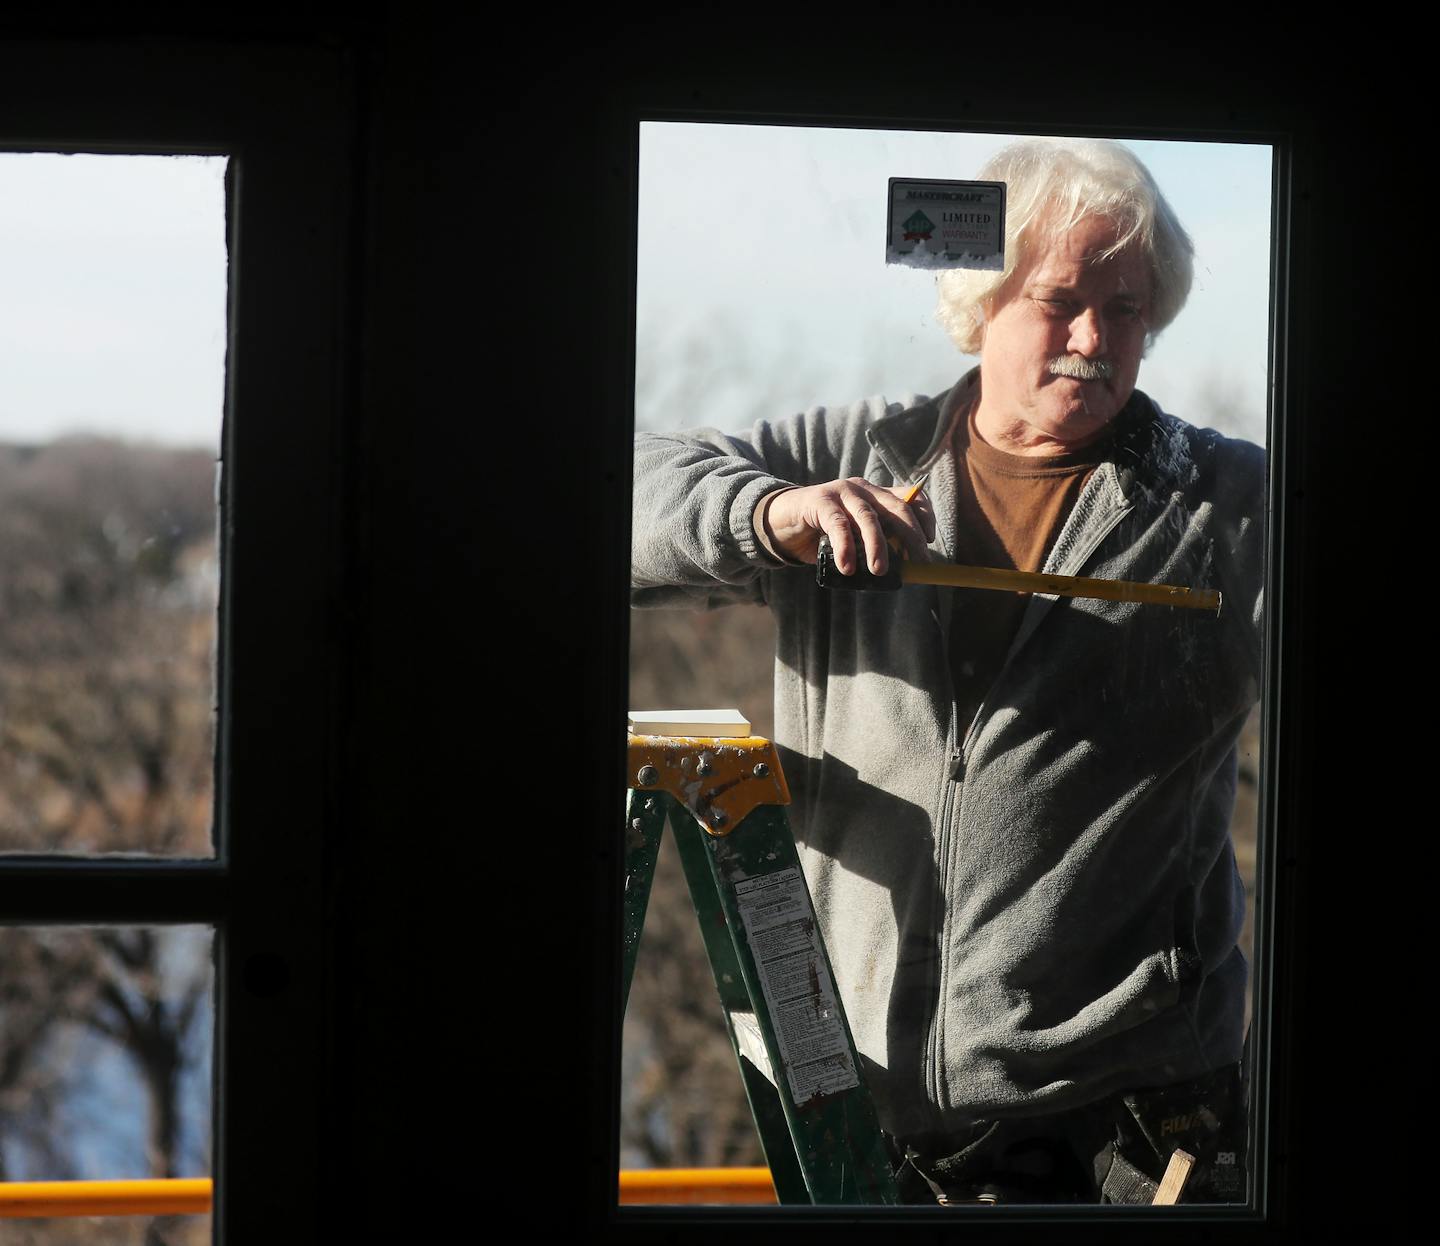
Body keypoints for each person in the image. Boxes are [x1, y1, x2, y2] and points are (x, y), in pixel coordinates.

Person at [631, 138, 1263, 1205]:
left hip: (1130, 1132)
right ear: (981, 301)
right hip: (864, 1117)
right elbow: (624, 496)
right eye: (1062, 300)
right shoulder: (859, 452)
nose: (1095, 340)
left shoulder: (1224, 506)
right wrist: (772, 514)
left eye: (1128, 309)